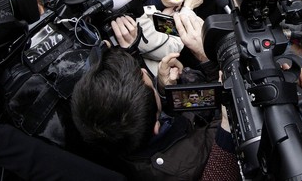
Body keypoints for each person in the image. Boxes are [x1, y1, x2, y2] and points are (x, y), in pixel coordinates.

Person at [71, 49, 240, 179]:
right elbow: (222, 128)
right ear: (156, 126)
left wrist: (163, 92)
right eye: (150, 86)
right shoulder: (190, 163)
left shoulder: (111, 136)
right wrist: (209, 64)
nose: (145, 72)